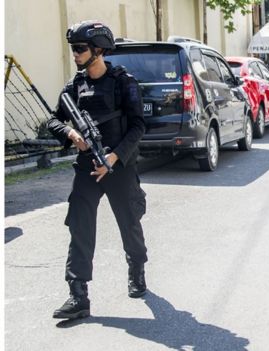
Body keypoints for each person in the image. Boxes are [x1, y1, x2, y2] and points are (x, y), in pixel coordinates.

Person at [48, 20, 148, 320]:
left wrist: (115, 157)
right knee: (80, 227)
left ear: (98, 50)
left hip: (118, 166)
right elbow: (53, 120)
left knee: (129, 222)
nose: (75, 54)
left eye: (80, 49)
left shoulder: (123, 82)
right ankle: (78, 294)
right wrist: (70, 134)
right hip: (87, 168)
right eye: (73, 49)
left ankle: (137, 268)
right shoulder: (74, 87)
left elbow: (138, 125)